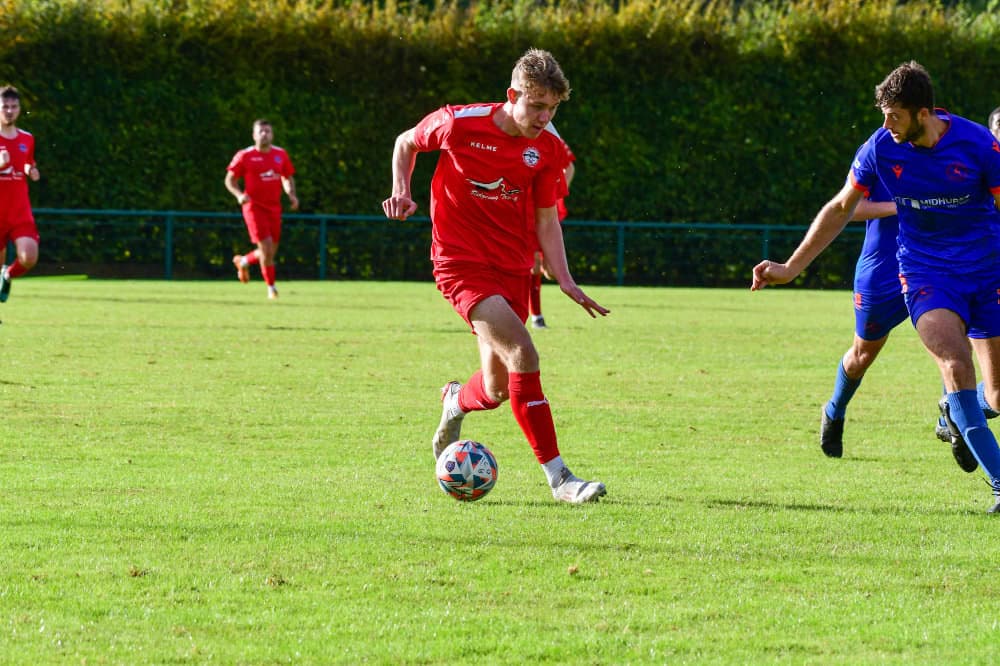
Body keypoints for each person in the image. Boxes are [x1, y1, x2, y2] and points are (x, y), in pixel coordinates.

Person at [752, 61, 1000, 512]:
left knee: (997, 393)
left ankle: (953, 410)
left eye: (895, 116)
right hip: (923, 273)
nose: (886, 125)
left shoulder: (979, 144)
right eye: (883, 116)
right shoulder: (881, 147)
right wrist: (789, 267)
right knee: (950, 362)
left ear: (923, 113)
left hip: (986, 272)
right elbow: (841, 207)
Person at [382, 48, 610, 504]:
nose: (544, 117)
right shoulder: (459, 123)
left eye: (552, 109)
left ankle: (455, 400)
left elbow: (546, 219)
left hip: (512, 268)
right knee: (523, 351)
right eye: (537, 105)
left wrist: (564, 279)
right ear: (512, 95)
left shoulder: (546, 150)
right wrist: (401, 190)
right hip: (460, 264)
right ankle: (560, 478)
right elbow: (406, 142)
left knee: (495, 388)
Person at [225, 119, 298, 300]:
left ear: (272, 135)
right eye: (261, 131)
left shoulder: (280, 154)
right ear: (254, 135)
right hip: (254, 208)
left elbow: (287, 176)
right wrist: (239, 195)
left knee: (270, 251)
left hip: (274, 207)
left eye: (268, 131)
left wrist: (291, 194)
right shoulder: (245, 156)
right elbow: (230, 179)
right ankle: (271, 288)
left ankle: (244, 261)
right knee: (266, 247)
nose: (265, 134)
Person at [0, 85, 41, 303]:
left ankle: (7, 275)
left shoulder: (27, 138)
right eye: (4, 106)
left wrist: (30, 170)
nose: (9, 111)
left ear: (19, 108)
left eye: (13, 106)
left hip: (19, 212)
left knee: (29, 257)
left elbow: (27, 162)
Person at [529, 139, 575, 329]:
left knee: (549, 271)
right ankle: (536, 316)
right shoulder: (516, 134)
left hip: (548, 210)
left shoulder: (553, 140)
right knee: (533, 266)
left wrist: (557, 193)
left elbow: (569, 167)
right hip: (527, 211)